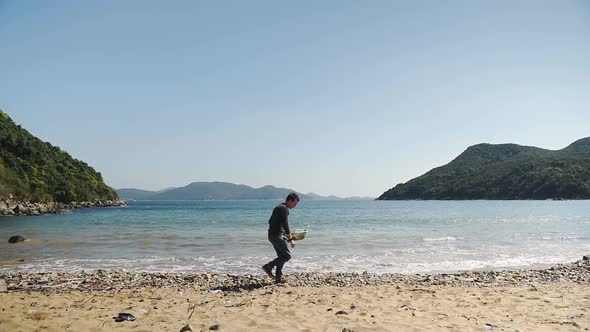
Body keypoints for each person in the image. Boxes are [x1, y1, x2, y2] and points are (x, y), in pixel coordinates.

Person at [262, 192, 299, 284]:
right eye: (295, 203)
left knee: (281, 256)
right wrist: (290, 239)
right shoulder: (284, 209)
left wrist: (285, 234)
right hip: (277, 236)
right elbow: (285, 224)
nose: (295, 206)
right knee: (287, 256)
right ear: (290, 200)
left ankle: (279, 277)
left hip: (272, 235)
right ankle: (268, 266)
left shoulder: (278, 207)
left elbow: (270, 221)